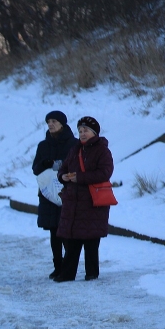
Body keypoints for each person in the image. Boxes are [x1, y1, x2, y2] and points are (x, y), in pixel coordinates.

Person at [56, 116, 114, 282]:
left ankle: (91, 274)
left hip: (92, 203)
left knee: (91, 241)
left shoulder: (102, 150)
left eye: (86, 130)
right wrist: (63, 177)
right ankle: (66, 275)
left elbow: (105, 173)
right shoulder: (75, 150)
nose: (82, 133)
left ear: (94, 132)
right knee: (72, 240)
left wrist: (79, 178)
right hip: (73, 202)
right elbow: (63, 168)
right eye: (80, 130)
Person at [32, 111, 75, 278]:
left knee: (68, 232)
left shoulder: (73, 144)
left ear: (62, 123)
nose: (50, 124)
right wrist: (45, 163)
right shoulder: (43, 145)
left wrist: (55, 165)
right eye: (48, 121)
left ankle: (68, 267)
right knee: (54, 231)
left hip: (68, 192)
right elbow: (35, 169)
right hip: (48, 194)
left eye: (54, 121)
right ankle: (58, 266)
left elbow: (73, 166)